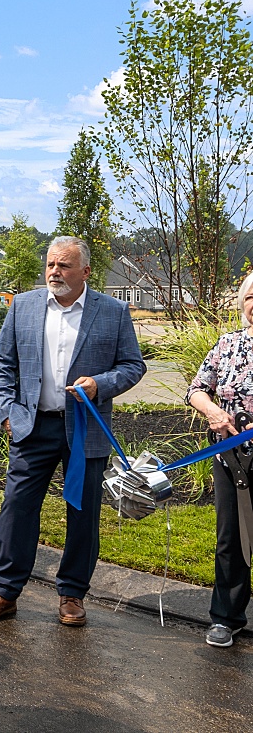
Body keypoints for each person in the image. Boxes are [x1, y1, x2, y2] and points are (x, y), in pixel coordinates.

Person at [0, 236, 145, 627]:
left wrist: (100, 384)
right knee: (17, 508)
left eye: (64, 266)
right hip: (33, 426)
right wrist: (8, 413)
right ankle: (3, 591)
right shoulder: (26, 306)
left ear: (85, 271)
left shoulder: (113, 311)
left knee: (82, 513)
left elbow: (133, 366)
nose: (54, 272)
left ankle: (72, 594)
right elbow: (2, 363)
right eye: (50, 264)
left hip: (84, 430)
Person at [186, 270, 253, 648]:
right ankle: (226, 618)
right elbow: (196, 389)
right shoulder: (227, 344)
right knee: (231, 539)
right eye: (250, 297)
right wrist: (212, 411)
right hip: (231, 459)